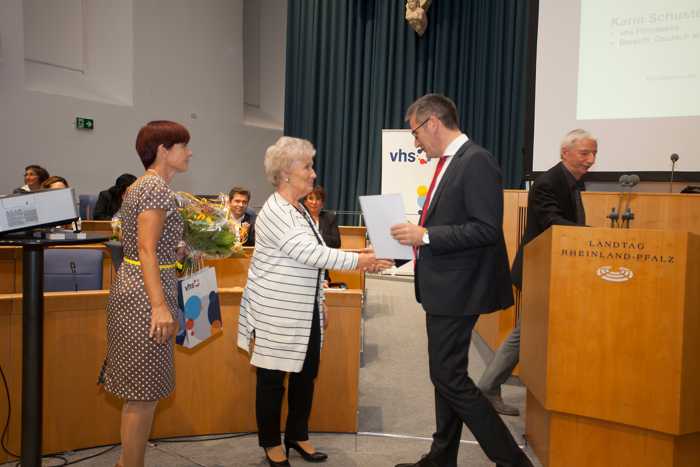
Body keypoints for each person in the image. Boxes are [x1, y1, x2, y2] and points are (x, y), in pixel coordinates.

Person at [390, 94, 533, 467]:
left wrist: (426, 235)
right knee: (447, 375)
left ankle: (513, 461)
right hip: (445, 288)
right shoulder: (451, 163)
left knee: (449, 378)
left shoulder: (476, 161)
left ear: (432, 123)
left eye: (415, 132)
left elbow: (486, 229)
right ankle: (441, 457)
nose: (415, 141)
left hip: (460, 289)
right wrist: (418, 237)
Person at [237, 136, 392, 467]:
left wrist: (322, 297)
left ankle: (297, 434)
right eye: (307, 166)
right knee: (272, 380)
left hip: (304, 310)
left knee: (306, 375)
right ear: (286, 172)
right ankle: (270, 443)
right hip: (277, 312)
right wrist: (360, 261)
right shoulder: (277, 210)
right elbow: (309, 253)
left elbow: (312, 261)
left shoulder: (298, 210)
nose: (313, 174)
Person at [478, 128, 597, 416]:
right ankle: (487, 387)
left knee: (527, 331)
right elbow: (552, 222)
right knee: (523, 332)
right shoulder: (548, 182)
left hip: (557, 271)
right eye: (585, 153)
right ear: (565, 153)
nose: (591, 160)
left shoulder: (571, 182)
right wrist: (590, 236)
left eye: (593, 153)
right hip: (539, 270)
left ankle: (493, 387)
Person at [98, 120, 192, 467]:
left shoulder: (145, 187)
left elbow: (148, 248)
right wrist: (158, 306)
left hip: (141, 285)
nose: (189, 152)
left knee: (144, 392)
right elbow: (146, 249)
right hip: (145, 296)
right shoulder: (155, 189)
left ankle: (128, 463)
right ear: (163, 151)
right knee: (142, 394)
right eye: (183, 145)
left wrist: (178, 251)